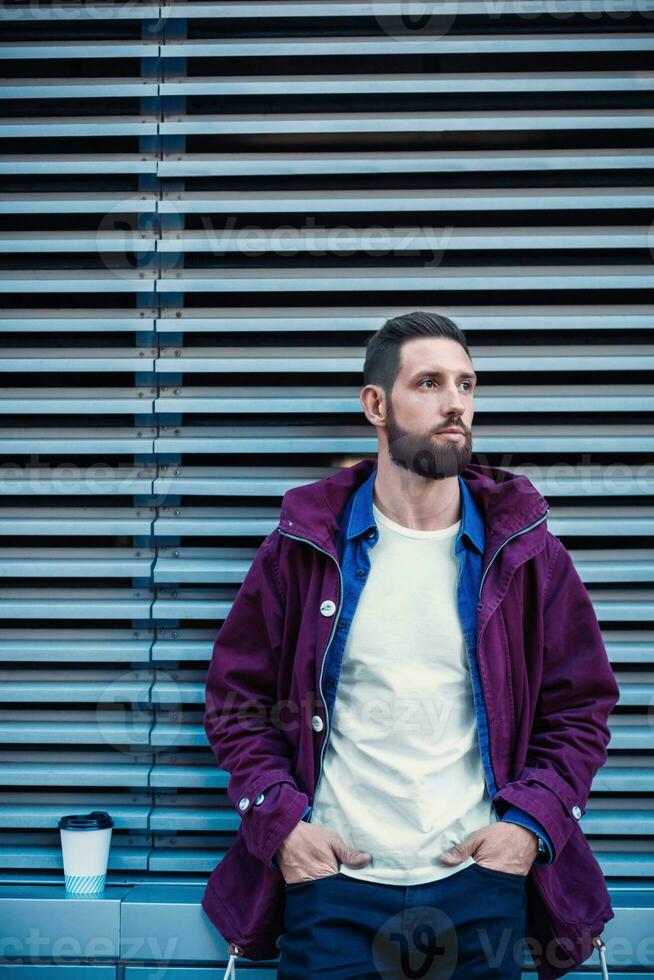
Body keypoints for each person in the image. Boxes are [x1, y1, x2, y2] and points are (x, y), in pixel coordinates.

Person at [202, 311, 619, 980]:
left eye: (466, 385)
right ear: (376, 404)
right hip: (332, 890)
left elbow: (581, 710)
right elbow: (237, 703)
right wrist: (282, 827)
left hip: (480, 890)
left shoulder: (526, 554)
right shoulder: (304, 550)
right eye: (428, 383)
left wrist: (526, 828)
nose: (455, 403)